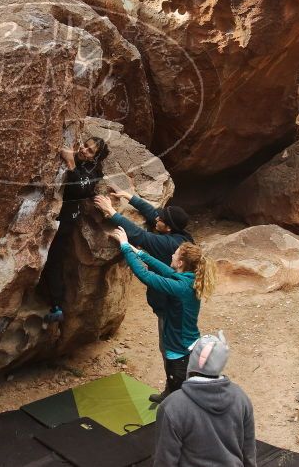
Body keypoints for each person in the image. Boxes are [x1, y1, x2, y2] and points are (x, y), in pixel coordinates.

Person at [94, 189, 193, 402]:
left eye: (161, 219)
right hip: (177, 307)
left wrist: (111, 212)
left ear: (167, 228)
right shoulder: (180, 238)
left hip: (171, 310)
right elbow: (152, 215)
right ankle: (175, 391)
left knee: (171, 351)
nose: (156, 219)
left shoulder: (168, 245)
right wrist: (128, 196)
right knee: (175, 351)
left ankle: (177, 398)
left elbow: (140, 238)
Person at [111, 227, 215, 397]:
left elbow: (146, 276)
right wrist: (140, 253)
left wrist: (124, 246)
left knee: (180, 396)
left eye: (175, 254)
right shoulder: (188, 278)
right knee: (177, 383)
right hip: (187, 346)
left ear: (180, 263)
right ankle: (169, 393)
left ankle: (173, 402)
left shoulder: (179, 287)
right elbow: (167, 271)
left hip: (180, 353)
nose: (172, 255)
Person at [153, 331, 256, 467]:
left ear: (193, 360)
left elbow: (164, 461)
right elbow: (249, 454)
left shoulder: (172, 407)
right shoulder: (241, 398)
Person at [42, 137, 110, 323]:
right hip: (49, 215)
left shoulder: (94, 173)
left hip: (65, 221)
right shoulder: (79, 158)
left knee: (54, 261)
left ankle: (56, 306)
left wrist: (70, 161)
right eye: (85, 145)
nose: (84, 150)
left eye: (90, 151)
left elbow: (79, 188)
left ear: (95, 158)